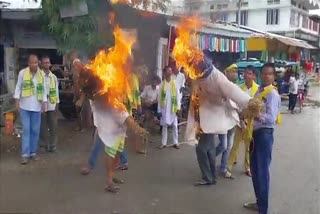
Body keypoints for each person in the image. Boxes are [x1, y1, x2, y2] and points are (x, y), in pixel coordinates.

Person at [184, 55, 260, 186]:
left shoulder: (217, 77)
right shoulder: (199, 77)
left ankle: (209, 177)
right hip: (205, 117)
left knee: (202, 149)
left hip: (214, 117)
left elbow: (232, 90)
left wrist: (249, 102)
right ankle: (211, 176)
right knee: (208, 148)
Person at [244, 63, 281, 214]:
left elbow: (271, 118)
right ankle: (259, 202)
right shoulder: (259, 91)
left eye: (269, 74)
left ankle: (263, 209)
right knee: (254, 169)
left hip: (265, 135)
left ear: (273, 77)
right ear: (260, 75)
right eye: (264, 73)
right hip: (254, 134)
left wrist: (256, 114)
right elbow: (251, 107)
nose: (266, 76)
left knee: (262, 172)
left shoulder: (272, 94)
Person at [14, 54, 47, 164]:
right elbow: (18, 87)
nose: (34, 64)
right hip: (24, 107)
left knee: (35, 131)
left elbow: (44, 90)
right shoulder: (22, 73)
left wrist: (44, 103)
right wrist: (17, 101)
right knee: (26, 130)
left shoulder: (41, 75)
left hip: (36, 107)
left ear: (38, 63)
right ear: (28, 63)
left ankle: (33, 153)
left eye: (36, 62)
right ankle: (25, 155)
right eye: (32, 63)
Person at [227, 65, 259, 178]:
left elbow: (258, 107)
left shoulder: (257, 90)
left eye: (250, 73)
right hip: (240, 120)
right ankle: (228, 167)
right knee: (235, 144)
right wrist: (240, 118)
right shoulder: (239, 88)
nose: (247, 75)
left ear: (254, 76)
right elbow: (235, 104)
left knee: (248, 146)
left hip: (251, 122)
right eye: (245, 73)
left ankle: (247, 167)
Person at [215, 64, 238, 179]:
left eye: (236, 71)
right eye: (232, 71)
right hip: (222, 120)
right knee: (223, 145)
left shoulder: (235, 86)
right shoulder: (221, 86)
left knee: (228, 146)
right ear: (226, 72)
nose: (235, 73)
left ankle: (223, 168)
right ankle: (209, 158)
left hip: (232, 120)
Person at [39, 56, 60, 152]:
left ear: (50, 64)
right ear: (41, 64)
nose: (46, 64)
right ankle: (43, 145)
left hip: (52, 104)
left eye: (48, 62)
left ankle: (53, 145)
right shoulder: (38, 76)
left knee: (53, 126)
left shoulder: (54, 77)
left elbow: (56, 91)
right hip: (41, 105)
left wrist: (57, 104)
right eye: (45, 62)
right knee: (42, 126)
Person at [158, 66, 181, 149]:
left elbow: (178, 96)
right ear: (164, 73)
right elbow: (159, 98)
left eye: (170, 71)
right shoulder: (161, 85)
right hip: (164, 108)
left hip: (173, 107)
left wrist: (178, 108)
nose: (169, 72)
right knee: (164, 126)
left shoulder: (174, 83)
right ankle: (163, 143)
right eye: (168, 71)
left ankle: (176, 142)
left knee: (175, 125)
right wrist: (159, 110)